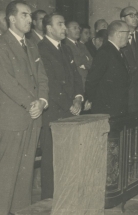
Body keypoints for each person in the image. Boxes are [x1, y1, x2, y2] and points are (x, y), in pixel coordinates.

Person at [0, 0, 49, 215]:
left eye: (30, 15)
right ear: (11, 19)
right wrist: (31, 103)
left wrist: (42, 101)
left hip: (33, 116)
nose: (30, 19)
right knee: (6, 174)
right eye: (25, 15)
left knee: (25, 175)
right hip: (11, 118)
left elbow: (42, 78)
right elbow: (6, 80)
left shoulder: (32, 45)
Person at [38, 12, 83, 200]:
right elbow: (51, 83)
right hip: (55, 110)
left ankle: (67, 194)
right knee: (51, 157)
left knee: (69, 155)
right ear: (49, 28)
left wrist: (78, 98)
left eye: (64, 24)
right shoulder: (41, 48)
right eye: (60, 24)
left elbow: (76, 76)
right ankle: (50, 199)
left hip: (70, 108)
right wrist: (69, 104)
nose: (64, 28)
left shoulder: (65, 48)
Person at [85, 20, 129, 116]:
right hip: (107, 109)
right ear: (118, 34)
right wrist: (94, 101)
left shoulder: (116, 51)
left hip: (116, 107)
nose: (129, 36)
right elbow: (92, 80)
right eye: (127, 33)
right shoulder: (105, 52)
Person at [120, 6, 138, 112]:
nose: (135, 18)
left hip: (137, 87)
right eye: (131, 15)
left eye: (137, 15)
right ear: (122, 19)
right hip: (123, 87)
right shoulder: (117, 36)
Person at [64, 20, 92, 88]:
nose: (78, 30)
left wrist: (84, 64)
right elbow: (76, 61)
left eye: (79, 28)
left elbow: (91, 61)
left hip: (86, 81)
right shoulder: (64, 45)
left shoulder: (81, 45)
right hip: (75, 84)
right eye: (74, 28)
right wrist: (85, 60)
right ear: (67, 31)